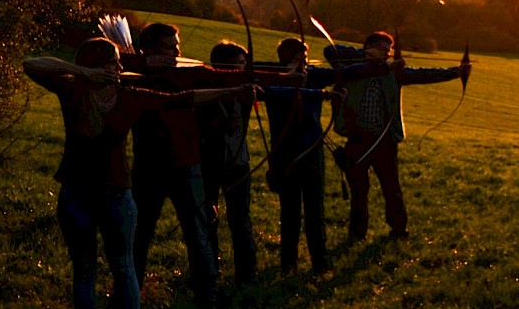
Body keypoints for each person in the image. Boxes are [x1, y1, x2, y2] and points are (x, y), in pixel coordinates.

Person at [24, 38, 253, 309]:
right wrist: (80, 72)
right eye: (114, 63)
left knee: (120, 267)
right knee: (90, 268)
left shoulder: (126, 95)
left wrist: (233, 90)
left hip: (107, 194)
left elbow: (185, 98)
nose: (119, 68)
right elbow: (31, 64)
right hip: (86, 194)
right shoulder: (73, 90)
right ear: (100, 66)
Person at [127, 22, 289, 308]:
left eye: (177, 45)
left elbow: (231, 76)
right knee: (140, 235)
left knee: (198, 234)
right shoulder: (134, 74)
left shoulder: (189, 74)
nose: (177, 50)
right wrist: (143, 62)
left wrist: (290, 76)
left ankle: (207, 296)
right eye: (170, 46)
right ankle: (129, 294)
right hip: (149, 169)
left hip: (188, 167)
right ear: (150, 49)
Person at [325, 31, 469, 241]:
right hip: (357, 139)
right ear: (369, 48)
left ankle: (398, 230)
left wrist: (456, 72)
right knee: (358, 190)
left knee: (391, 188)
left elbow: (424, 74)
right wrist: (367, 57)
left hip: (385, 141)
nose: (387, 54)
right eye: (382, 49)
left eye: (388, 50)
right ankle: (357, 234)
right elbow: (329, 50)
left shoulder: (394, 72)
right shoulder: (351, 68)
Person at [262, 37, 350, 275]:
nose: (304, 62)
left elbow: (346, 69)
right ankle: (288, 265)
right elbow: (273, 91)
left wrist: (374, 58)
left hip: (312, 151)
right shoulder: (272, 79)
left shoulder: (313, 75)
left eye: (306, 57)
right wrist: (318, 93)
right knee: (289, 211)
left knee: (315, 211)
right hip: (285, 154)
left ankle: (320, 264)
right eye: (298, 57)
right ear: (285, 59)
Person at [198, 40, 258, 289]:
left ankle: (246, 275)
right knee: (208, 218)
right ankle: (208, 272)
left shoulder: (246, 89)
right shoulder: (205, 89)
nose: (243, 67)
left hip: (238, 162)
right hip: (210, 162)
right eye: (238, 63)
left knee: (240, 220)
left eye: (245, 62)